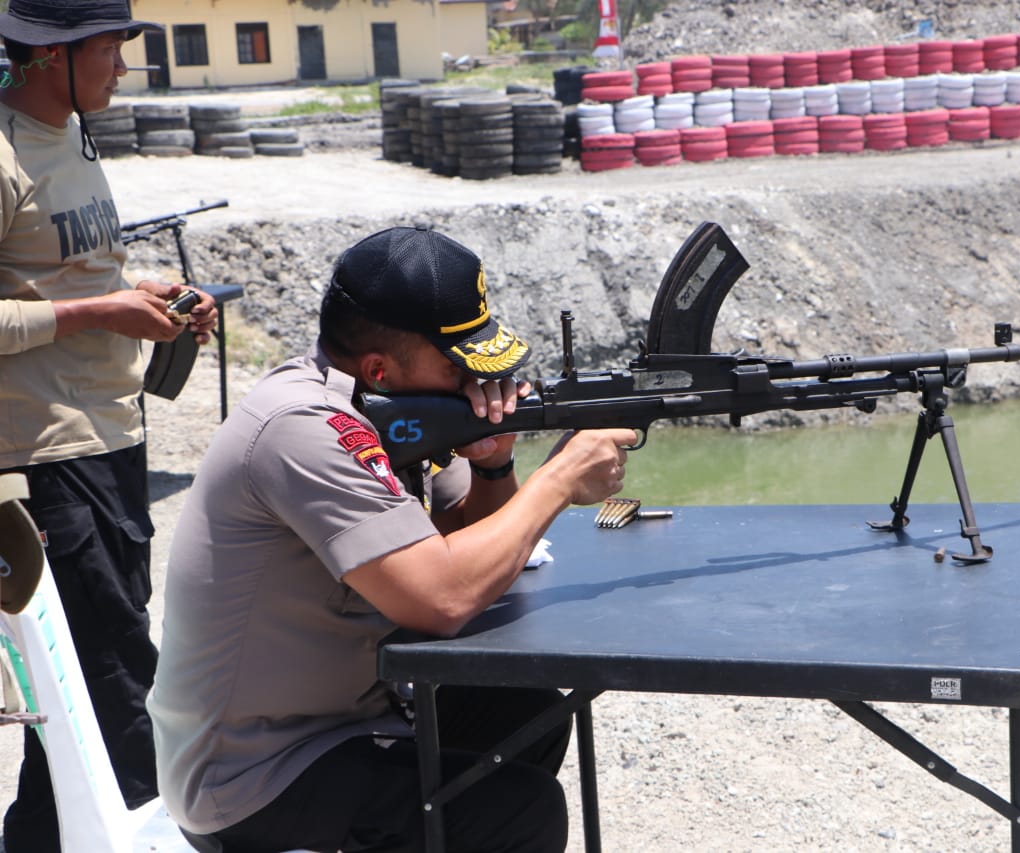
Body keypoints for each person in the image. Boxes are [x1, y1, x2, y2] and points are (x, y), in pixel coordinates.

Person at [148, 225, 634, 852]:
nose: (470, 377)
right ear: (380, 366)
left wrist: (494, 464)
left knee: (526, 710)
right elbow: (443, 600)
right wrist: (560, 478)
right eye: (455, 360)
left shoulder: (392, 404)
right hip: (253, 775)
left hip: (343, 721)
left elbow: (473, 551)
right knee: (518, 810)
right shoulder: (309, 427)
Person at [0, 0, 219, 849]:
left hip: (115, 438)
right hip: (43, 456)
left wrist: (151, 295)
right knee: (124, 678)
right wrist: (101, 311)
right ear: (54, 57)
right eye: (110, 50)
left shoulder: (75, 137)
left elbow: (72, 272)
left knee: (79, 687)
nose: (124, 68)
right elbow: (70, 302)